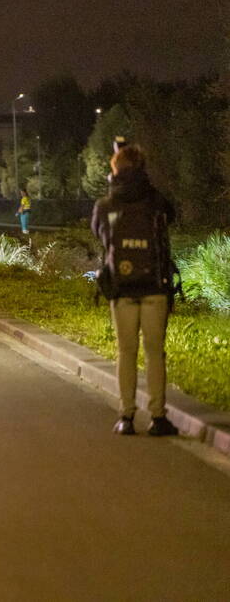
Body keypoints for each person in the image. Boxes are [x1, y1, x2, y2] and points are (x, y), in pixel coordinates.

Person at [90, 144, 179, 437]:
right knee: (155, 353)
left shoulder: (106, 204)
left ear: (114, 169)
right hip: (154, 286)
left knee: (126, 352)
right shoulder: (155, 201)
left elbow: (99, 233)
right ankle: (158, 417)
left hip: (122, 287)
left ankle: (126, 417)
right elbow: (171, 216)